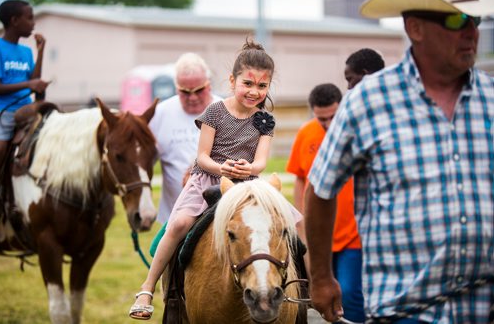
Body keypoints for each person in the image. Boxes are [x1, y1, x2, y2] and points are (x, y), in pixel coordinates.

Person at [304, 0, 494, 323]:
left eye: (475, 20)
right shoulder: (368, 101)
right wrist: (320, 277)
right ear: (415, 28)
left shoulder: (491, 99)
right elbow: (320, 189)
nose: (471, 32)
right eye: (455, 19)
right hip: (405, 310)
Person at [129, 39, 290, 320]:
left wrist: (248, 168)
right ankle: (148, 287)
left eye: (262, 86)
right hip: (207, 180)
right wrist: (223, 168)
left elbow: (262, 161)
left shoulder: (265, 119)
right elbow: (202, 156)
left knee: (292, 223)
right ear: (232, 80)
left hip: (247, 184)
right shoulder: (214, 112)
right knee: (179, 222)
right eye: (248, 84)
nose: (254, 92)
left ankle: (306, 292)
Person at [286, 83, 365, 323]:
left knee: (350, 292)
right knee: (318, 297)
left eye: (333, 116)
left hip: (353, 233)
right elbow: (300, 177)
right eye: (322, 119)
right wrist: (300, 217)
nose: (329, 124)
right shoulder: (306, 133)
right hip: (318, 234)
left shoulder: (356, 131)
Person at [149, 52, 217, 224]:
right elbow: (145, 161)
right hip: (173, 216)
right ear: (176, 88)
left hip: (215, 215)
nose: (192, 97)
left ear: (208, 85)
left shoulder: (223, 110)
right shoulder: (160, 114)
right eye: (185, 92)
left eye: (199, 90)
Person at [0, 0, 49, 198]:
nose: (33, 23)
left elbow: (34, 80)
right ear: (14, 20)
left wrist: (41, 51)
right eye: (29, 18)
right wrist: (29, 85)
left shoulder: (26, 52)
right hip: (2, 112)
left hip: (27, 111)